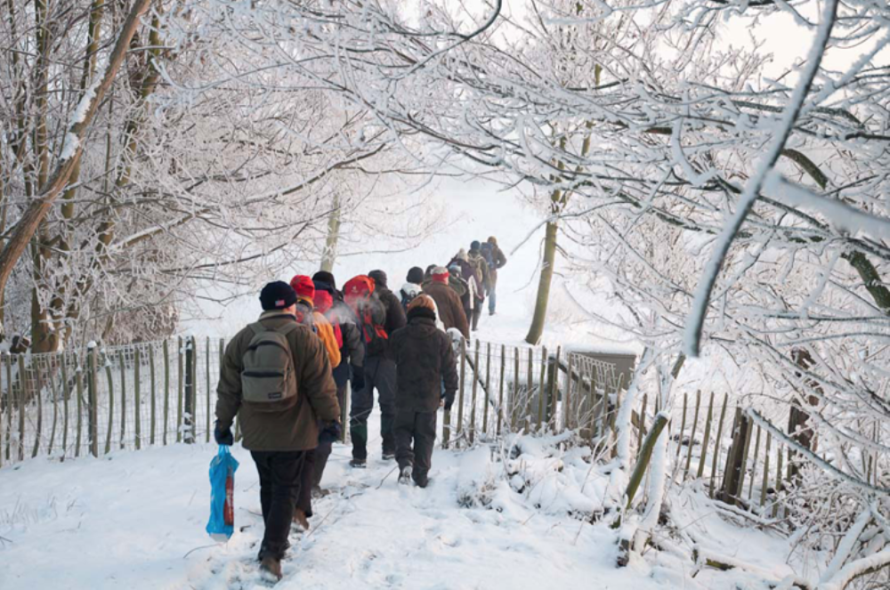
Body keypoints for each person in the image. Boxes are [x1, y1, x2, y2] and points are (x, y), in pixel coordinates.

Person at [214, 281, 340, 580]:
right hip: (295, 429)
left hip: (256, 430)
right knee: (286, 489)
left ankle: (271, 543)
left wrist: (223, 423)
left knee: (268, 484)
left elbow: (228, 389)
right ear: (290, 305)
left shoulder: (242, 339)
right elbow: (321, 386)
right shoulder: (305, 339)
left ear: (264, 305)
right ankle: (272, 553)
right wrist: (331, 419)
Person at [288, 275, 341, 529]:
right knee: (317, 443)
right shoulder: (319, 320)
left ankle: (286, 494)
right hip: (313, 392)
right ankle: (309, 488)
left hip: (284, 392)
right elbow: (335, 359)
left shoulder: (278, 320)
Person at [390, 295, 458, 488]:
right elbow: (450, 368)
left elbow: (391, 357)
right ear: (433, 313)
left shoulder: (399, 336)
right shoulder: (441, 338)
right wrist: (451, 391)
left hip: (404, 394)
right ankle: (421, 476)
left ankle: (405, 462)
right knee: (425, 435)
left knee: (402, 430)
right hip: (429, 396)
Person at [343, 272, 406, 467]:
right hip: (385, 361)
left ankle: (359, 455)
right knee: (389, 405)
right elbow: (401, 327)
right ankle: (389, 449)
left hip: (359, 360)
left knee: (359, 409)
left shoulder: (353, 298)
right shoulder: (389, 298)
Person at [310, 271, 365, 493]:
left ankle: (295, 482)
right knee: (327, 426)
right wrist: (358, 371)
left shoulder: (299, 306)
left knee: (302, 428)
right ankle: (312, 483)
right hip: (335, 374)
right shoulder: (340, 308)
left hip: (301, 377)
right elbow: (355, 343)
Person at [422, 266, 469, 339]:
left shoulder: (424, 291)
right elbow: (460, 318)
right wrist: (465, 338)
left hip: (427, 333)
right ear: (445, 278)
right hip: (447, 334)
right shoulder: (451, 293)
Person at [467, 242, 492, 331]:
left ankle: (467, 325)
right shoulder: (481, 259)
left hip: (466, 284)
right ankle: (474, 327)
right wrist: (488, 287)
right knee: (477, 306)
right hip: (478, 285)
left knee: (467, 305)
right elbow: (486, 274)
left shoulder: (465, 257)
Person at [484, 237, 507, 315]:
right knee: (492, 291)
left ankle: (477, 309)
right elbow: (504, 260)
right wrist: (496, 266)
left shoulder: (483, 249)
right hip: (492, 273)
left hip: (482, 272)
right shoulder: (497, 250)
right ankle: (491, 310)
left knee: (480, 291)